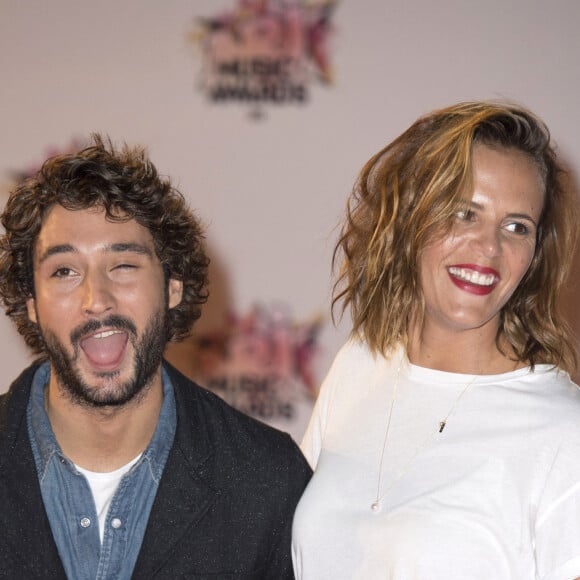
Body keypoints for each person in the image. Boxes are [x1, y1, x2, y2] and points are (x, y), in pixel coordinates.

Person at [0, 135, 311, 579]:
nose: (96, 299)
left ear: (172, 286)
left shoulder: (266, 479)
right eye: (64, 271)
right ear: (31, 302)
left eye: (123, 265)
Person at [291, 101, 580, 579]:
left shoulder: (564, 433)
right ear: (410, 218)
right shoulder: (360, 364)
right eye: (465, 213)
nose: (489, 248)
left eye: (516, 227)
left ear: (535, 253)